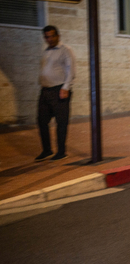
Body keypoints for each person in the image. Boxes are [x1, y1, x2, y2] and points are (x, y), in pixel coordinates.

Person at [36, 25, 76, 162]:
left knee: (61, 122)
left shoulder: (65, 50)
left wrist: (66, 88)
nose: (50, 39)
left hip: (59, 90)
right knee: (41, 121)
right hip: (45, 91)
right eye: (47, 37)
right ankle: (47, 150)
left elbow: (70, 70)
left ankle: (61, 152)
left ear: (58, 36)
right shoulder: (46, 51)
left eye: (52, 36)